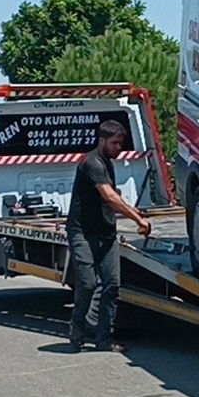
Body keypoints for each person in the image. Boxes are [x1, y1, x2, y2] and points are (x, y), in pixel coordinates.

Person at [65, 120, 151, 353]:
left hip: (106, 232)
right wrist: (137, 218)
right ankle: (77, 327)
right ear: (102, 140)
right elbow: (110, 197)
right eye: (115, 142)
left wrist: (133, 213)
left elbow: (112, 198)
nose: (119, 147)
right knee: (88, 283)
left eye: (121, 143)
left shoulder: (106, 163)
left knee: (112, 285)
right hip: (82, 232)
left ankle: (104, 339)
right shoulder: (91, 162)